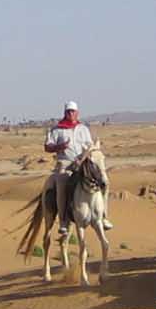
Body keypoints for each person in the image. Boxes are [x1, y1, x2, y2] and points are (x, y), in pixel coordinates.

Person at [43, 101, 111, 235]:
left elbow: (89, 147)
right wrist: (59, 147)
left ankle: (103, 217)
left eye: (73, 111)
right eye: (68, 111)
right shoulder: (57, 129)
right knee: (61, 186)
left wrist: (83, 158)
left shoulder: (83, 129)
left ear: (77, 113)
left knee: (104, 182)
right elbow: (47, 147)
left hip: (82, 163)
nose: (71, 114)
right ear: (65, 113)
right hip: (65, 164)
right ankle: (63, 221)